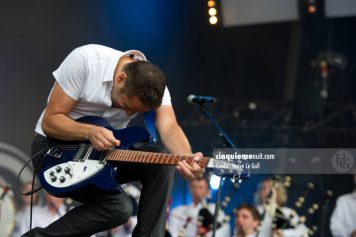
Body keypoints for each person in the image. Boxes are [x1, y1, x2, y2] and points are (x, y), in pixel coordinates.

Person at [23, 44, 204, 237]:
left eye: (135, 112)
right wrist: (88, 132)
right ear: (120, 79)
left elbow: (169, 127)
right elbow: (50, 121)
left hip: (106, 155)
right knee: (119, 208)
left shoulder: (156, 87)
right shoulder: (86, 61)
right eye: (126, 105)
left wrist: (188, 158)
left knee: (161, 159)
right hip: (54, 150)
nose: (127, 113)